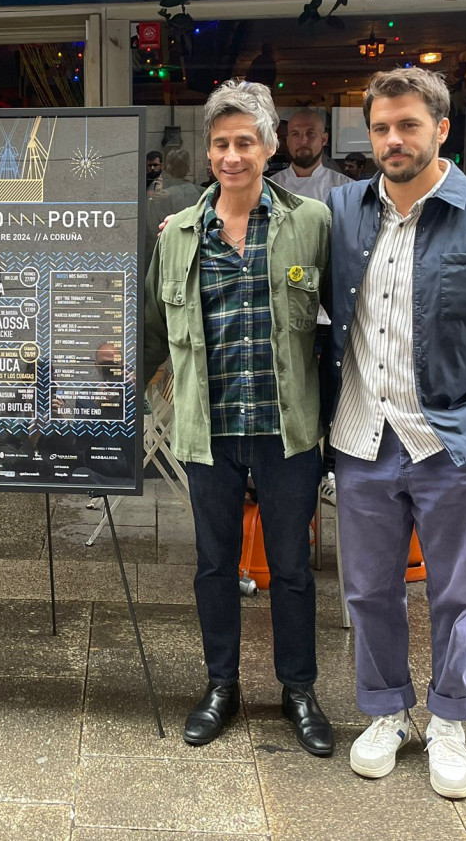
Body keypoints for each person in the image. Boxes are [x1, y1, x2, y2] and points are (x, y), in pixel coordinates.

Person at [325, 67, 466, 798]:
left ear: (440, 129)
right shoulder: (341, 212)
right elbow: (263, 231)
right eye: (382, 127)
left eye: (408, 125)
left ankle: (450, 719)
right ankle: (386, 710)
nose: (393, 139)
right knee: (367, 591)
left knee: (456, 593)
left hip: (451, 440)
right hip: (361, 437)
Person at [143, 80, 333, 755]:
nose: (230, 154)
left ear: (270, 145)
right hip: (208, 427)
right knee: (215, 564)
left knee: (289, 565)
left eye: (244, 141)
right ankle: (219, 684)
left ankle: (298, 689)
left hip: (287, 429)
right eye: (220, 143)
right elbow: (149, 330)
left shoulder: (311, 223)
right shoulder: (178, 235)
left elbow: (338, 330)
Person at [272, 109, 350, 202]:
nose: (303, 141)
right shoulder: (271, 188)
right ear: (288, 141)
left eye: (310, 133)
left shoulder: (346, 189)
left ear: (324, 139)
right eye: (295, 134)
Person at [145, 147, 201, 268]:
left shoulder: (158, 196)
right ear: (188, 167)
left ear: (166, 167)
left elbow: (151, 232)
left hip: (165, 257)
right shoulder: (202, 194)